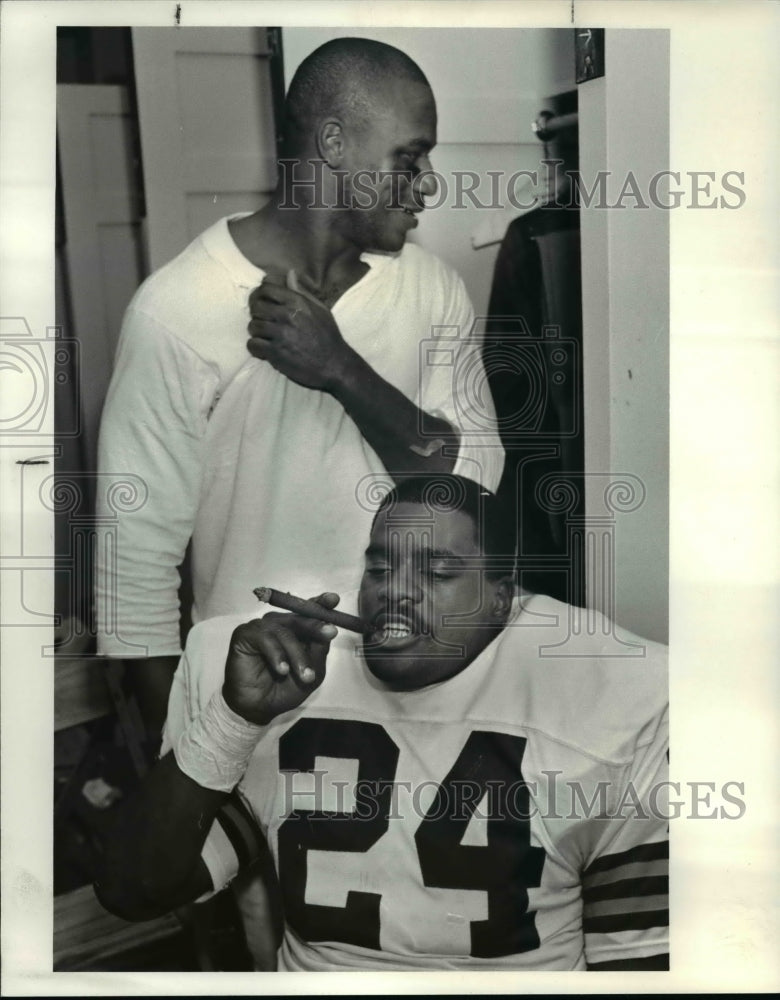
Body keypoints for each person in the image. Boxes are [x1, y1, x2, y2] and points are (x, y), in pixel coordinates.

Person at [95, 36, 504, 740]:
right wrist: (187, 757)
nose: (430, 182)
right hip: (252, 697)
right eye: (409, 158)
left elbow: (473, 480)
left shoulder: (432, 290)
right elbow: (133, 576)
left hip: (420, 693)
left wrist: (341, 370)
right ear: (336, 145)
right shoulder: (177, 311)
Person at [95, 474, 669, 972]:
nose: (394, 591)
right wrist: (234, 719)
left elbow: (640, 960)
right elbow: (133, 889)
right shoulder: (290, 684)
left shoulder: (607, 694)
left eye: (438, 572)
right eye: (379, 567)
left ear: (501, 599)